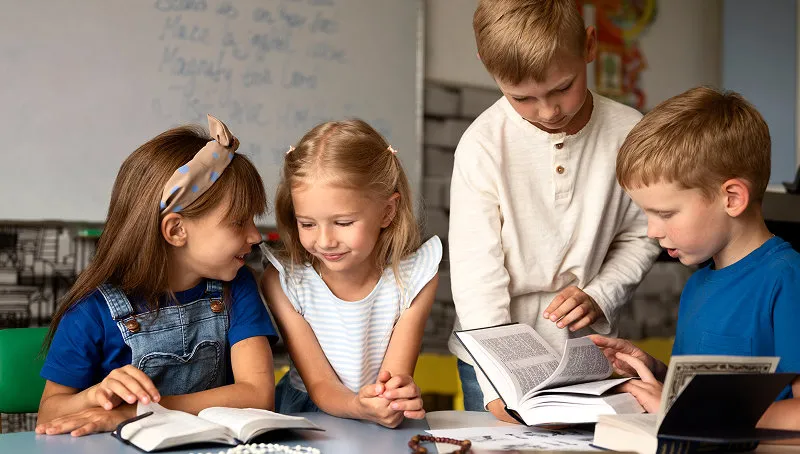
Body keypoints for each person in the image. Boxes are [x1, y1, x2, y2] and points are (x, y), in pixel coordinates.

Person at [448, 0, 660, 421]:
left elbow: (643, 232)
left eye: (563, 87)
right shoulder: (482, 146)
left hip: (588, 352)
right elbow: (477, 279)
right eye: (522, 97)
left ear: (590, 46)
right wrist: (495, 385)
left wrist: (601, 293)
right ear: (489, 69)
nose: (548, 111)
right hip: (492, 361)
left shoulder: (630, 132)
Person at [36, 115, 278, 436]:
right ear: (176, 230)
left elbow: (258, 395)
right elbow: (48, 415)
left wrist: (136, 412)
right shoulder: (90, 312)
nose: (255, 236)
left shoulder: (237, 285)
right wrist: (92, 397)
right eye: (238, 222)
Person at [590, 86, 800, 431]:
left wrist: (687, 410)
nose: (652, 231)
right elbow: (700, 389)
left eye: (665, 213)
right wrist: (656, 371)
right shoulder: (699, 283)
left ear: (732, 198)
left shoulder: (787, 280)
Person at [260, 119, 439, 428]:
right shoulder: (285, 282)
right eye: (307, 224)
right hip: (307, 417)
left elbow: (394, 377)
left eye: (343, 223)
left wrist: (393, 396)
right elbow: (320, 385)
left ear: (387, 212)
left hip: (374, 419)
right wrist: (359, 406)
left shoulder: (414, 279)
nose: (325, 240)